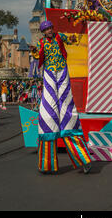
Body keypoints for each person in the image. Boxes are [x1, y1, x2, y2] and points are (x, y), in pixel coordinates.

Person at [31, 20, 92, 174]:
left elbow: (70, 40)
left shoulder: (59, 36)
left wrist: (72, 39)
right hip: (50, 73)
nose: (50, 30)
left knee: (68, 112)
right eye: (47, 29)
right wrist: (33, 50)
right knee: (48, 115)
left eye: (51, 28)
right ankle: (46, 164)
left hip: (62, 72)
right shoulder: (41, 42)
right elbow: (38, 54)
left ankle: (83, 159)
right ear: (43, 32)